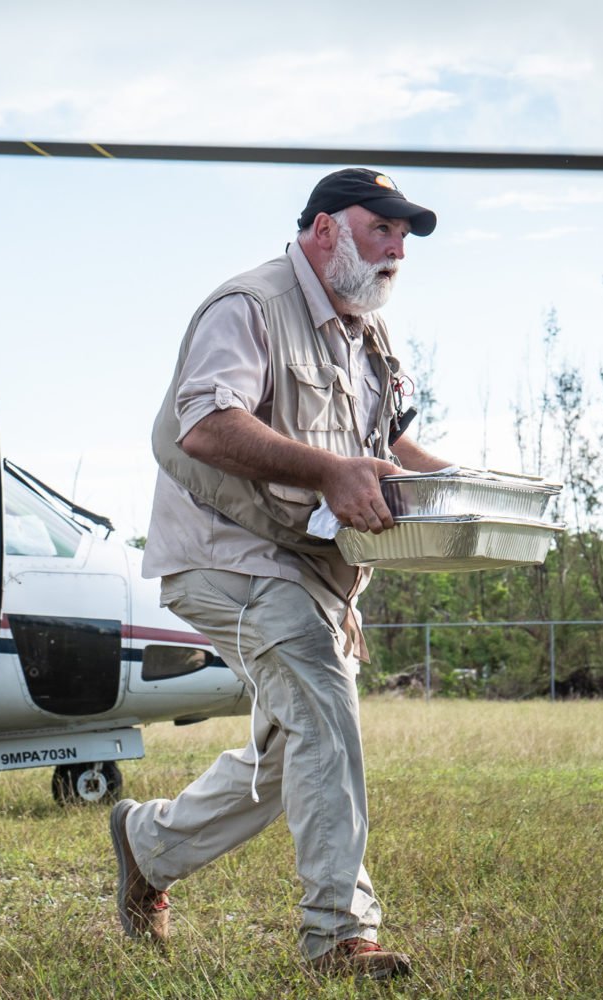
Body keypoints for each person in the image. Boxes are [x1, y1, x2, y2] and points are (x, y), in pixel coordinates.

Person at [111, 168, 455, 980]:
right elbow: (204, 424)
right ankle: (339, 932)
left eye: (405, 239)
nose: (397, 251)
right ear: (326, 228)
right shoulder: (250, 305)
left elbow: (389, 445)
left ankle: (146, 845)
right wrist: (331, 471)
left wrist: (474, 493)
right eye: (383, 230)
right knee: (324, 713)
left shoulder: (366, 333)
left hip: (312, 572)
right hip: (225, 557)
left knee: (290, 750)